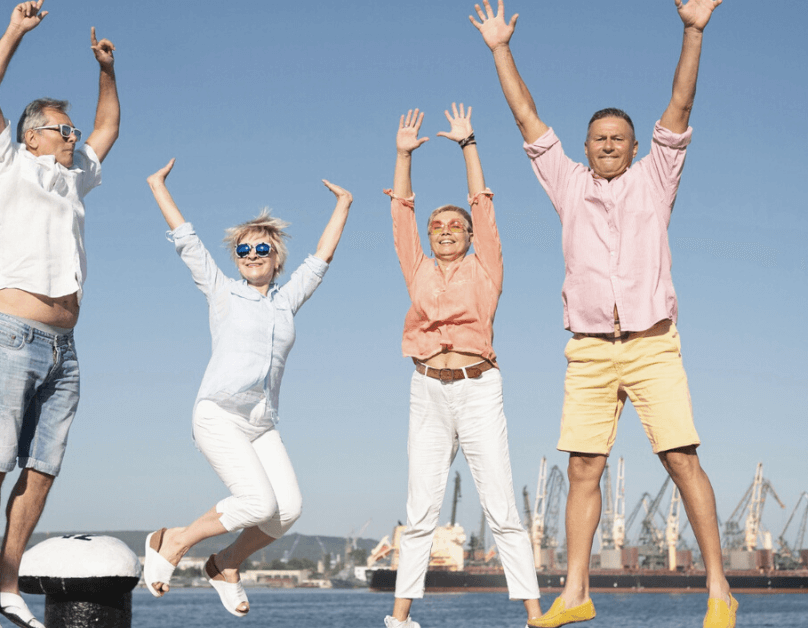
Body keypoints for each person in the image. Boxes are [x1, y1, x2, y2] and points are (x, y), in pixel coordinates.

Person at [471, 1, 734, 626]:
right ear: (585, 147)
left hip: (652, 342)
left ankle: (720, 590)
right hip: (588, 347)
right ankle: (575, 594)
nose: (609, 145)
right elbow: (526, 117)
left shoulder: (656, 177)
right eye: (599, 139)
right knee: (582, 466)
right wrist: (500, 49)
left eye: (619, 138)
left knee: (681, 459)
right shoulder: (566, 183)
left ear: (638, 146)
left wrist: (692, 31)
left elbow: (681, 104)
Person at [0, 2, 119, 627]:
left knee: (44, 466)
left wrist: (107, 69)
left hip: (65, 345)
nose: (73, 136)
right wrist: (16, 31)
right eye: (61, 129)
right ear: (32, 135)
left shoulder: (74, 176)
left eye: (71, 131)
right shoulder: (6, 164)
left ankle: (8, 582)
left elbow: (109, 123)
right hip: (10, 334)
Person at [141, 158, 352, 617]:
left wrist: (344, 204)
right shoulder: (221, 291)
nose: (252, 256)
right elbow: (187, 241)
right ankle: (171, 541)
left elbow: (322, 259)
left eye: (261, 249)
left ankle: (224, 564)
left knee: (288, 509)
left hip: (261, 420)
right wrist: (158, 186)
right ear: (236, 259)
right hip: (218, 412)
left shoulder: (287, 301)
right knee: (256, 502)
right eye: (243, 251)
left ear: (277, 259)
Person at [384, 105, 543, 628]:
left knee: (501, 505)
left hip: (478, 389)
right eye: (438, 226)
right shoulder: (417, 268)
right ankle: (400, 618)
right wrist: (403, 155)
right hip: (426, 389)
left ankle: (534, 614)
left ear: (472, 235)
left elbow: (483, 202)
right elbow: (401, 212)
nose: (446, 230)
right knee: (421, 510)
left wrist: (467, 144)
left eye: (456, 225)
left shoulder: (487, 266)